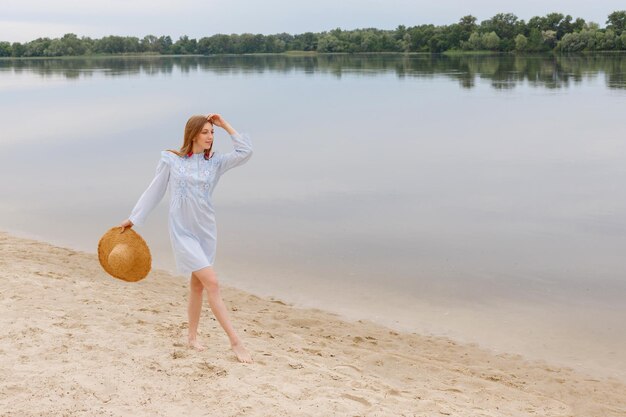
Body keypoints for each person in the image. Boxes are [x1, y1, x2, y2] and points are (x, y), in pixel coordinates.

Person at [118, 113, 254, 363]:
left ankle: (192, 337)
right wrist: (134, 218)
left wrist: (224, 125)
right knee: (212, 283)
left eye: (212, 133)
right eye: (205, 132)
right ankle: (236, 342)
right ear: (192, 134)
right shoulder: (172, 160)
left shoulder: (216, 162)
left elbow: (245, 151)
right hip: (182, 231)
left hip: (206, 230)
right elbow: (154, 190)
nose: (210, 137)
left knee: (198, 285)